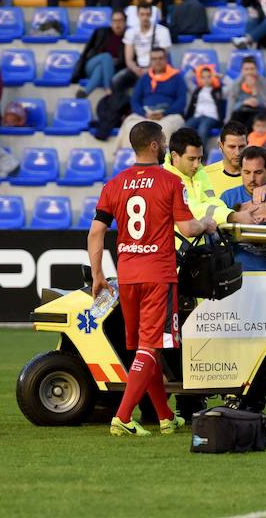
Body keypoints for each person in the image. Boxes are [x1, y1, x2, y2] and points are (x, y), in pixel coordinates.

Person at [90, 121, 218, 437]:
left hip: (127, 276)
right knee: (150, 348)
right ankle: (122, 417)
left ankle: (164, 416)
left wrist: (96, 276)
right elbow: (188, 229)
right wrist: (206, 223)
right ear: (153, 146)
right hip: (158, 276)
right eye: (161, 141)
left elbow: (96, 233)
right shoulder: (169, 182)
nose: (162, 145)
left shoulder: (114, 184)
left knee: (145, 350)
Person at [164, 127, 258, 229]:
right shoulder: (166, 180)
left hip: (199, 242)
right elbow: (193, 209)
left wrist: (233, 213)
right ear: (174, 156)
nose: (196, 164)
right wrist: (231, 216)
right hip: (175, 245)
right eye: (191, 159)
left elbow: (212, 202)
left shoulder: (200, 172)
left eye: (199, 158)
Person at [117, 47, 186, 149]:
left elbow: (181, 101)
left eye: (160, 58)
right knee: (130, 127)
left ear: (166, 59)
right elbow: (135, 100)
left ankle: (164, 161)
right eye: (154, 59)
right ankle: (131, 160)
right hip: (145, 114)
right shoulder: (144, 78)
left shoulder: (177, 77)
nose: (157, 61)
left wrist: (164, 113)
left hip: (168, 115)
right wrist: (145, 114)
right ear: (150, 61)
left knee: (165, 129)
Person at [117, 1, 173, 90]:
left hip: (157, 67)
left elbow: (163, 58)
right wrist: (136, 69)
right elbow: (129, 60)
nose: (145, 18)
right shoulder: (131, 32)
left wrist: (148, 70)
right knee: (116, 81)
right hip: (137, 68)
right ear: (137, 15)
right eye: (142, 14)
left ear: (151, 15)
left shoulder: (162, 31)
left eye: (147, 14)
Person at [74, 10, 127, 98]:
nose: (117, 24)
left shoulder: (129, 37)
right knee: (106, 56)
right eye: (115, 21)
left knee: (100, 69)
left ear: (125, 23)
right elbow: (87, 50)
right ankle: (108, 89)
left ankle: (85, 93)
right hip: (92, 64)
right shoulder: (101, 32)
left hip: (111, 68)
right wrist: (80, 67)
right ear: (110, 23)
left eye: (120, 20)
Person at [226, 56, 266, 126]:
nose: (249, 72)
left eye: (252, 69)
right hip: (242, 110)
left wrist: (257, 99)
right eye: (246, 69)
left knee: (254, 119)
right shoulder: (236, 84)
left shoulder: (263, 83)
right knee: (235, 118)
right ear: (242, 71)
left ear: (256, 70)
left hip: (259, 111)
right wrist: (243, 103)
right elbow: (231, 106)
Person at [205, 120, 248, 196]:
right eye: (232, 147)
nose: (237, 153)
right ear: (221, 146)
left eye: (241, 147)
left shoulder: (260, 175)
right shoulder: (204, 176)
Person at [184, 64, 223, 144]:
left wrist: (222, 77)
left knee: (203, 129)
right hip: (197, 116)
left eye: (209, 76)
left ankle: (202, 154)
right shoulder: (196, 90)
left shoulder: (218, 90)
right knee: (185, 128)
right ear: (199, 78)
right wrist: (195, 70)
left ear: (213, 77)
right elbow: (186, 78)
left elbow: (232, 87)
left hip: (211, 117)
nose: (206, 79)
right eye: (203, 77)